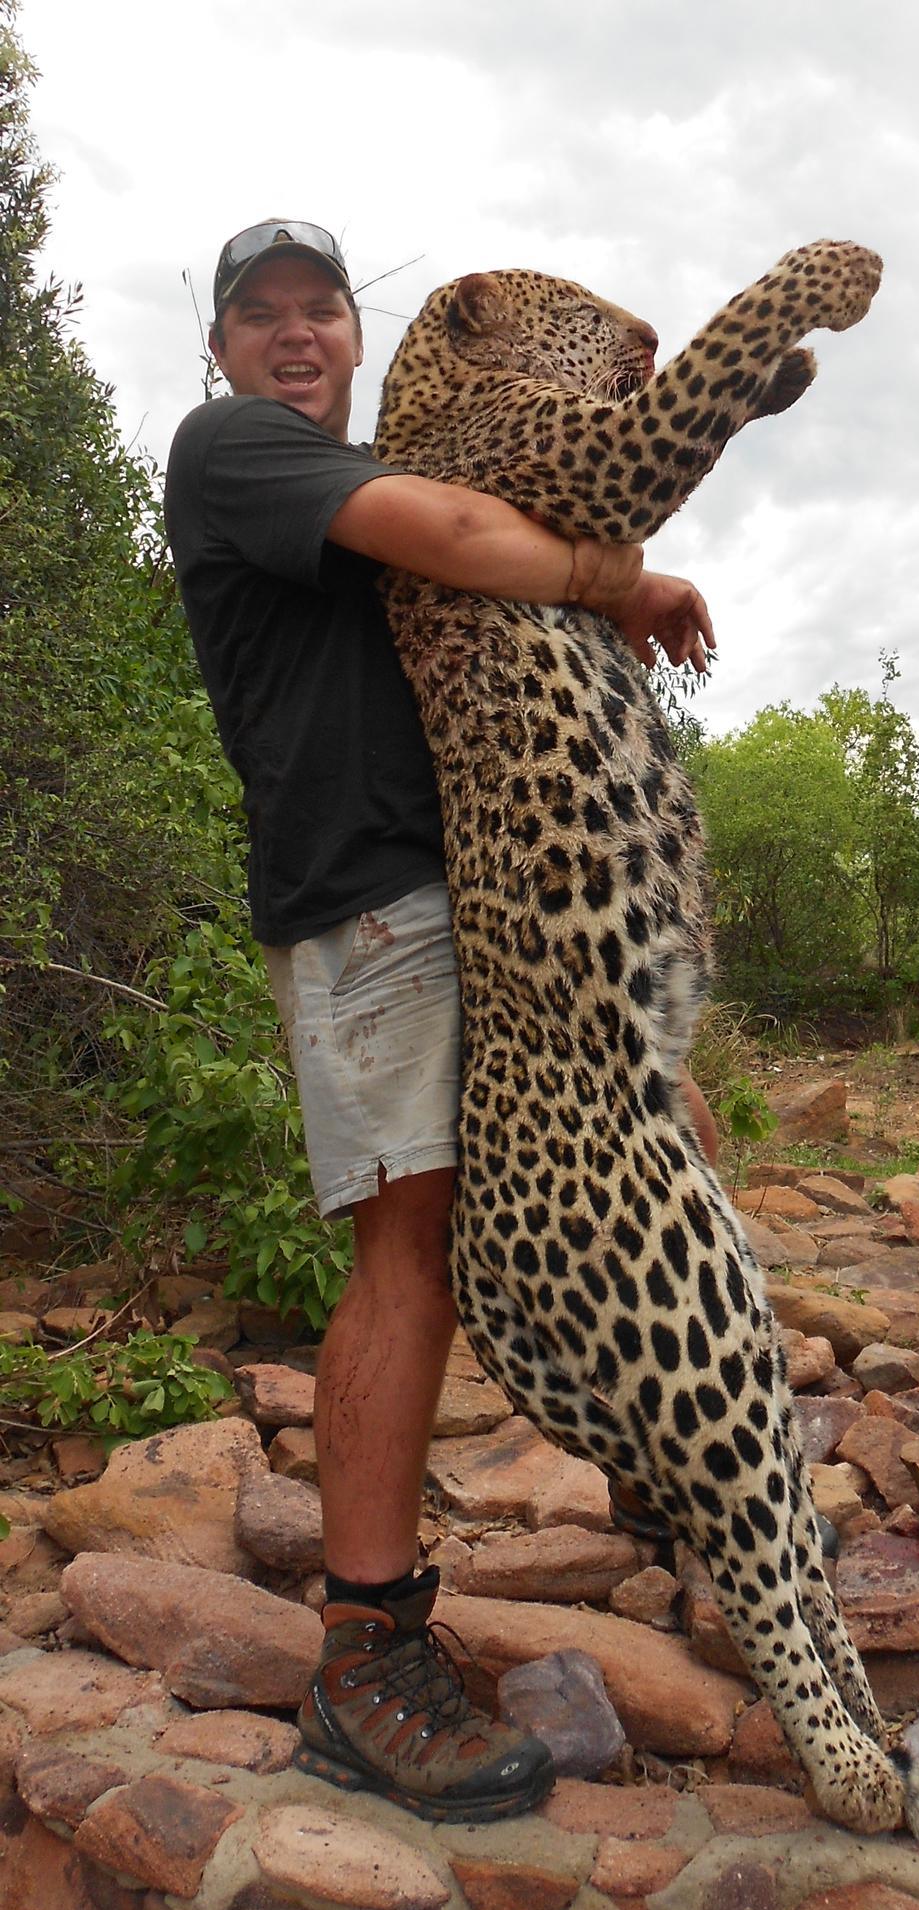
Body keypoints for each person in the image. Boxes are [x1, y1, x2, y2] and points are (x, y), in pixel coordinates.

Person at [163, 220, 718, 1824]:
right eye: (259, 314)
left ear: (356, 336)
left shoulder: (372, 474)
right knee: (405, 1248)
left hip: (491, 892)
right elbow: (468, 532)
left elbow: (491, 552)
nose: (291, 334)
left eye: (317, 309)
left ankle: (677, 1488)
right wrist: (621, 576)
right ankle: (363, 1654)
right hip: (368, 899)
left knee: (653, 1157)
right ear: (222, 349)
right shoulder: (237, 452)